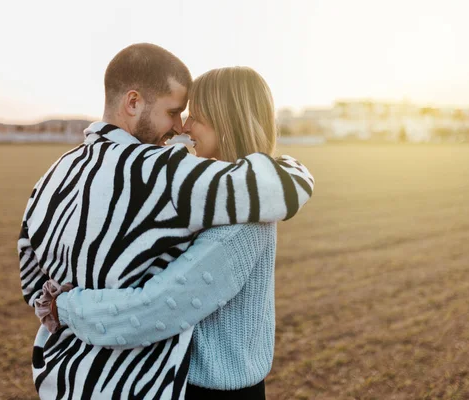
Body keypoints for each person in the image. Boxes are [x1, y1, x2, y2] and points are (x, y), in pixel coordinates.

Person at [18, 44, 314, 400]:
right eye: (175, 112)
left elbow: (33, 281)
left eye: (193, 115)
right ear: (133, 102)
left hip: (74, 380)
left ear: (227, 120)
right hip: (158, 384)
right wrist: (288, 169)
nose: (181, 127)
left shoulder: (55, 173)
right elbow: (158, 306)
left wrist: (59, 306)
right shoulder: (169, 175)